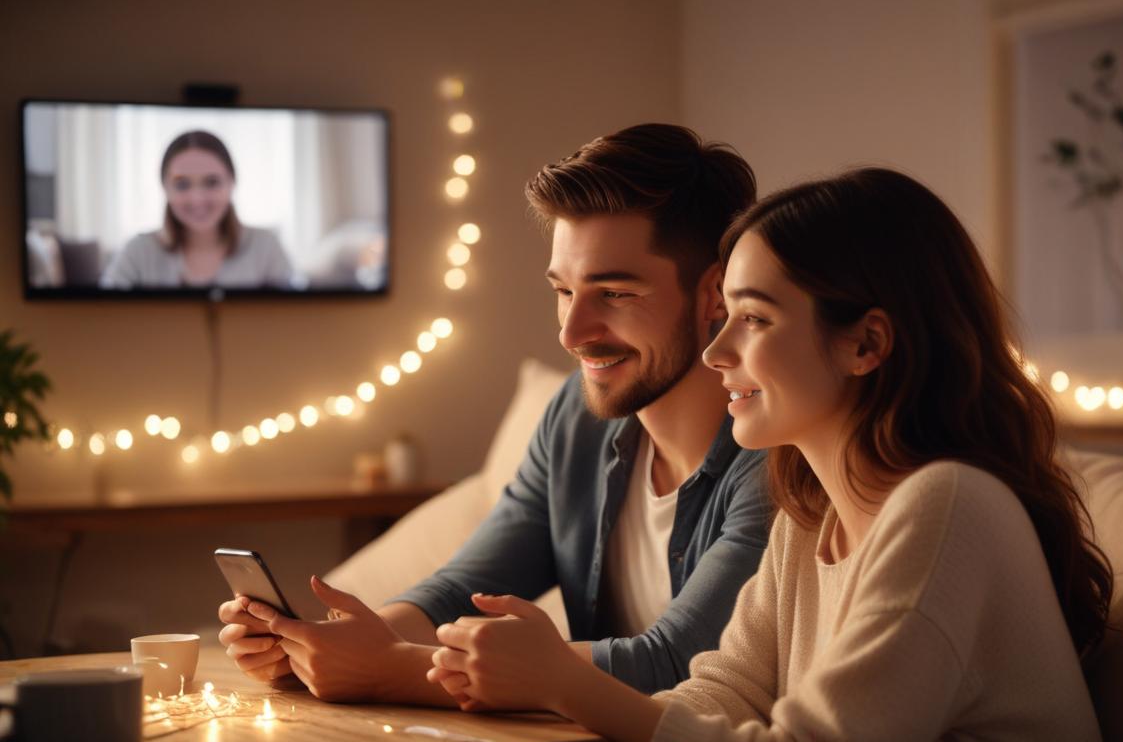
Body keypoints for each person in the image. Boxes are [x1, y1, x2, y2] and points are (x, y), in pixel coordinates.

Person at [418, 168, 1113, 742]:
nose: (716, 351)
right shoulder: (810, 517)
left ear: (866, 343)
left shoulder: (950, 506)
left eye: (753, 318)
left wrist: (562, 682)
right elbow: (720, 697)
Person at [218, 124, 772, 705]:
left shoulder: (777, 451)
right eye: (564, 290)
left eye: (614, 293)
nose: (571, 333)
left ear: (716, 292)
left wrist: (388, 669)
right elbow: (461, 589)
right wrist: (330, 646)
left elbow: (679, 663)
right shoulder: (575, 418)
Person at [100, 130, 293, 289]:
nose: (197, 199)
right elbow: (102, 318)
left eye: (212, 182)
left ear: (232, 183)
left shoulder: (266, 246)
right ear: (165, 188)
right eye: (182, 184)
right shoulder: (138, 251)